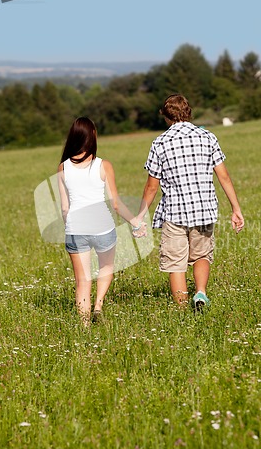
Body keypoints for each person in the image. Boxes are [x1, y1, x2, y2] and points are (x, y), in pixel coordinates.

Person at [137, 94, 244, 309]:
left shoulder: (160, 143)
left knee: (176, 262)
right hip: (204, 210)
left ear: (166, 117)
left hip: (174, 213)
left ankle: (182, 308)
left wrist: (140, 215)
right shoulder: (208, 137)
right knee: (202, 254)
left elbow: (152, 186)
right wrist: (236, 208)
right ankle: (201, 293)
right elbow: (223, 176)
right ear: (189, 112)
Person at [58, 117, 145, 326]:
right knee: (106, 268)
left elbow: (64, 208)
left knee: (82, 281)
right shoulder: (103, 165)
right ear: (93, 136)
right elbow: (116, 203)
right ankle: (98, 305)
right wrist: (135, 223)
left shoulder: (63, 167)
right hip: (102, 227)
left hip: (76, 229)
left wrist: (70, 227)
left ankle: (85, 328)